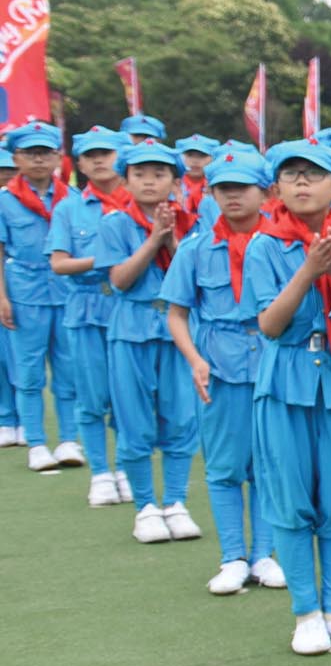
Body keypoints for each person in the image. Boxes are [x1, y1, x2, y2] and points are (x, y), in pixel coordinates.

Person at [244, 139, 331, 657]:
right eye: (291, 175)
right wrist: (307, 271)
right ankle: (306, 612)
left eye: (314, 174)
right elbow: (271, 326)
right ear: (276, 188)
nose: (302, 182)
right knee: (290, 499)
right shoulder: (264, 245)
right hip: (285, 384)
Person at [164, 150, 280, 594]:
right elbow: (176, 313)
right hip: (221, 366)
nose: (232, 196)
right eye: (223, 188)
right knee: (224, 467)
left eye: (242, 187)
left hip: (273, 363)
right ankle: (232, 556)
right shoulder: (196, 247)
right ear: (211, 193)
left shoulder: (282, 243)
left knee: (270, 463)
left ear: (265, 192)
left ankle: (264, 554)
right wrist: (195, 359)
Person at [92, 141, 203, 544]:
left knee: (180, 417)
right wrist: (154, 238)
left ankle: (175, 501)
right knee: (134, 420)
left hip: (177, 328)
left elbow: (194, 278)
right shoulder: (114, 223)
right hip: (132, 327)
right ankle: (145, 507)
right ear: (126, 180)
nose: (150, 181)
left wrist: (172, 238)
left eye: (159, 174)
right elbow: (119, 280)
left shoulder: (191, 223)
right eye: (140, 174)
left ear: (175, 181)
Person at [44, 126, 128, 503]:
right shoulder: (69, 206)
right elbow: (59, 263)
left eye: (106, 153)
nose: (98, 160)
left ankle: (128, 467)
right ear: (78, 164)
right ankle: (100, 472)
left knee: (132, 397)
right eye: (90, 155)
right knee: (92, 396)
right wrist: (104, 260)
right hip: (86, 305)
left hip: (129, 308)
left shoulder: (137, 204)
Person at [0, 122, 78, 467]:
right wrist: (1, 297)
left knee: (68, 369)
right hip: (23, 294)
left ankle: (68, 441)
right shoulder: (5, 201)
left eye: (45, 153)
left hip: (66, 293)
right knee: (27, 371)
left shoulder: (72, 199)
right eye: (30, 153)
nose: (38, 160)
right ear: (16, 158)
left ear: (57, 157)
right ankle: (36, 443)